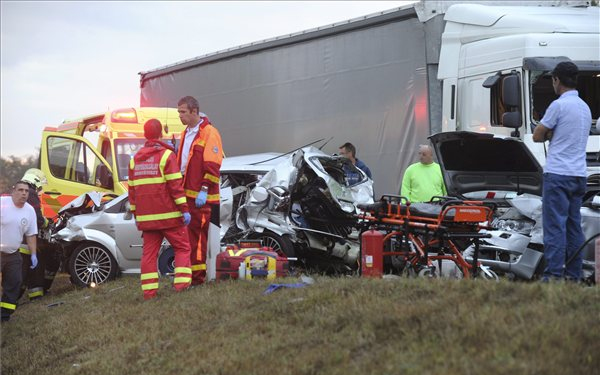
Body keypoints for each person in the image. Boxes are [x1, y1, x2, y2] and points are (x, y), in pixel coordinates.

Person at [532, 61, 591, 282]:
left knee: (554, 227)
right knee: (574, 227)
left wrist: (549, 133)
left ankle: (553, 277)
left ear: (557, 80)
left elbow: (538, 135)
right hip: (579, 175)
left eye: (553, 80)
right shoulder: (585, 107)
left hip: (558, 175)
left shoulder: (558, 105)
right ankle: (573, 277)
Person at [128, 119, 193, 300]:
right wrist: (185, 209)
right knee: (182, 248)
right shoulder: (166, 156)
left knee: (149, 254)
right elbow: (175, 186)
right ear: (160, 134)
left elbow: (132, 192)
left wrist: (136, 215)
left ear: (145, 135)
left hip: (147, 219)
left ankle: (149, 292)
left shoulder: (134, 161)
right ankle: (181, 287)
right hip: (170, 217)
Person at [176, 96, 223, 285]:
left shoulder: (209, 132)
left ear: (194, 112)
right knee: (188, 239)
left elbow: (212, 166)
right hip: (186, 196)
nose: (180, 115)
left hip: (201, 198)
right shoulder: (185, 133)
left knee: (197, 241)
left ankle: (197, 279)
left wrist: (204, 189)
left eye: (183, 112)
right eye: (178, 112)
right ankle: (188, 277)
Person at [1, 181, 38, 322]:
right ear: (13, 191)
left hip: (13, 254)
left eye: (26, 191)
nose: (23, 193)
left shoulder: (29, 211)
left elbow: (31, 234)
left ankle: (4, 317)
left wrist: (34, 254)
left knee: (14, 283)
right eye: (20, 190)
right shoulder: (2, 203)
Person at [18, 169, 54, 300]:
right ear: (35, 181)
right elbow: (37, 217)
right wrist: (46, 223)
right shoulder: (30, 193)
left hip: (19, 240)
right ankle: (10, 302)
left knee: (26, 271)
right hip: (26, 241)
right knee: (29, 270)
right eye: (39, 186)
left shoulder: (18, 191)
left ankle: (31, 296)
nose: (39, 190)